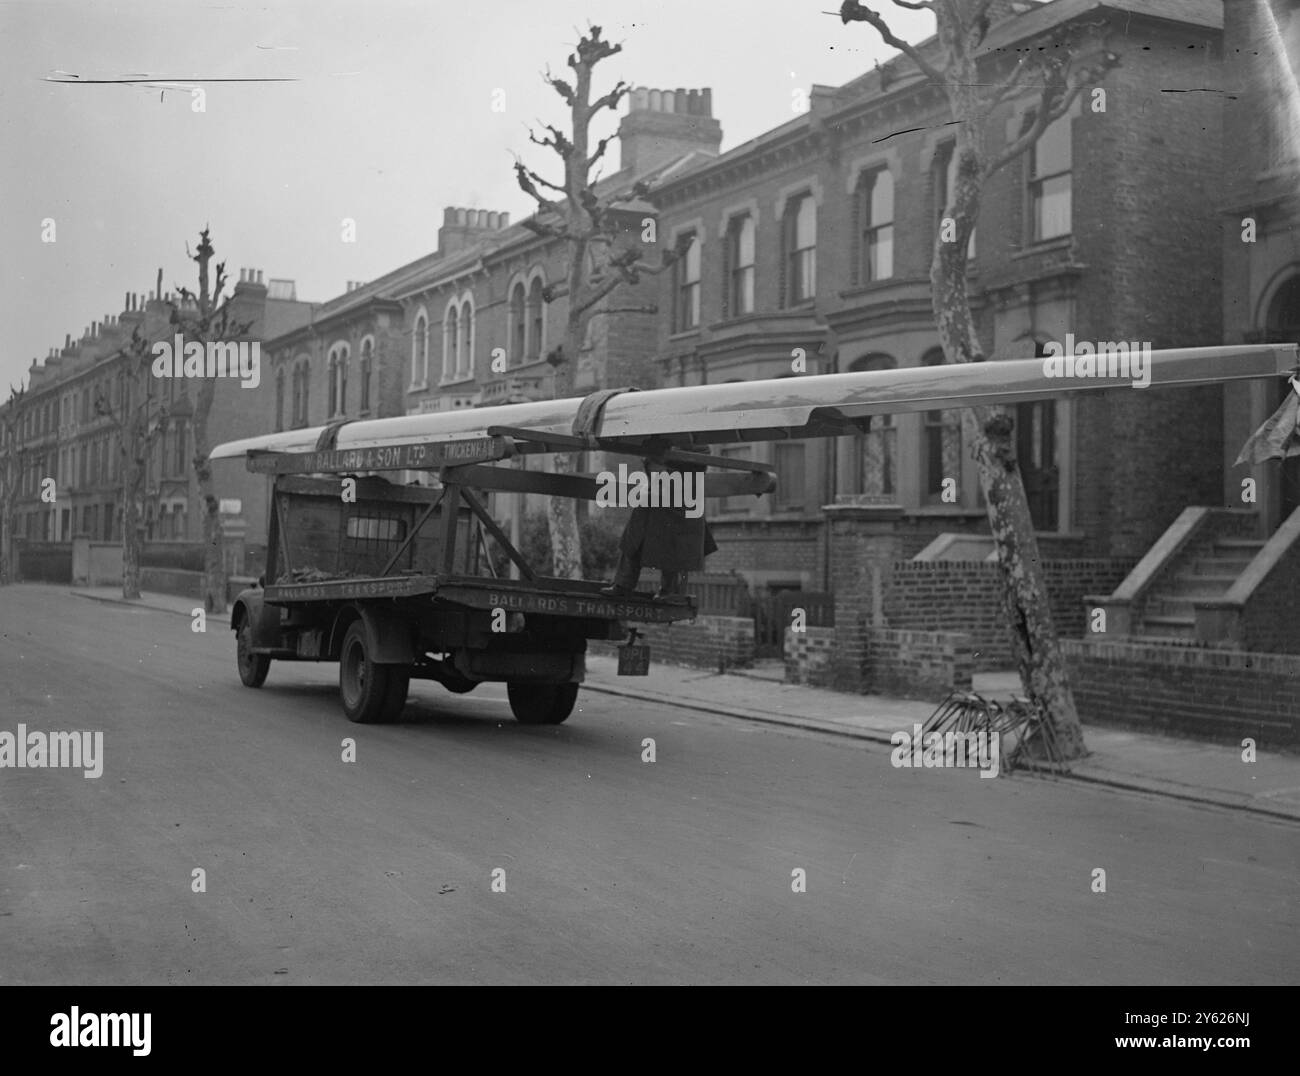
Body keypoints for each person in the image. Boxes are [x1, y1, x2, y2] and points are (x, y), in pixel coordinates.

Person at [601, 458, 717, 599]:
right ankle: (623, 584)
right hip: (659, 505)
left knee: (672, 545)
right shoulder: (667, 452)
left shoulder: (692, 451)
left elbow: (689, 474)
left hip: (678, 508)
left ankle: (668, 589)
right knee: (634, 539)